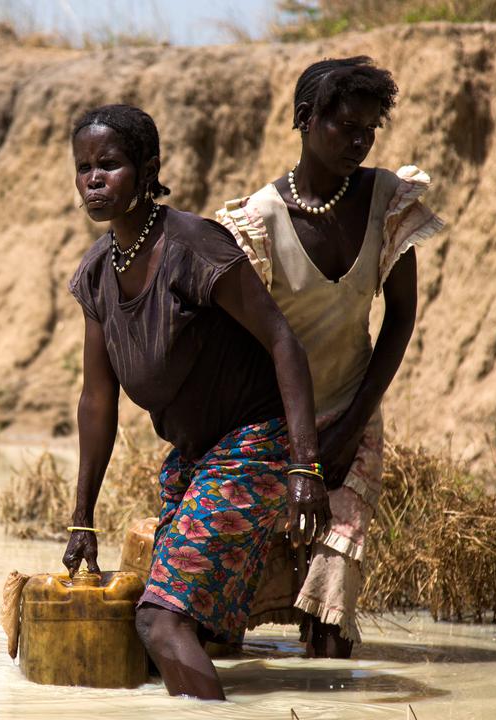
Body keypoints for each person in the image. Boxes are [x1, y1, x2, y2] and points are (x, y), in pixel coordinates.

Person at [60, 104, 328, 700]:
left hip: (253, 444)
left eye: (111, 165)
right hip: (193, 454)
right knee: (181, 630)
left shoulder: (192, 245)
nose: (94, 180)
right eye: (83, 168)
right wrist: (82, 517)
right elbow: (96, 399)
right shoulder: (98, 274)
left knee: (160, 621)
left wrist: (304, 467)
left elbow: (285, 343)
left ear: (149, 170)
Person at [217, 57, 445, 659]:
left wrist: (349, 430)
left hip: (353, 406)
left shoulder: (387, 202)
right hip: (270, 423)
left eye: (370, 129)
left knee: (335, 574)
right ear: (303, 120)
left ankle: (324, 696)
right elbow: (244, 344)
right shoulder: (259, 223)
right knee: (232, 586)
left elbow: (399, 320)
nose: (361, 141)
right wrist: (300, 452)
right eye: (346, 126)